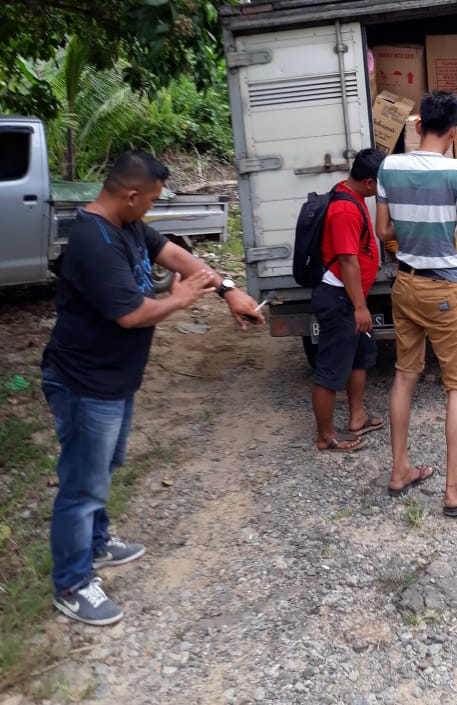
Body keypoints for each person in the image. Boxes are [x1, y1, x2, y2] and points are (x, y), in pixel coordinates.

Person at [41, 150, 264, 626]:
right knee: (82, 483)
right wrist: (179, 298)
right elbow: (131, 313)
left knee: (103, 467)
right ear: (130, 194)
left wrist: (227, 289)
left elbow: (178, 256)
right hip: (84, 382)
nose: (151, 212)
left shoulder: (128, 225)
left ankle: (97, 544)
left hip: (112, 379)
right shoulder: (92, 241)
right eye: (151, 202)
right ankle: (72, 583)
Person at [376, 91, 457, 518]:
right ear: (454, 131)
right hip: (443, 289)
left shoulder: (389, 165)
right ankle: (455, 489)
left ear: (417, 123)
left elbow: (383, 229)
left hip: (404, 284)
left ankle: (399, 471)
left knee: (405, 375)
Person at [311, 147, 386, 452]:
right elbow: (347, 261)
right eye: (381, 185)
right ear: (369, 182)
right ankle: (325, 436)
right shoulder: (345, 210)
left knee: (360, 357)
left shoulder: (353, 197)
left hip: (351, 298)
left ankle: (357, 417)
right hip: (340, 299)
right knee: (331, 370)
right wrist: (359, 307)